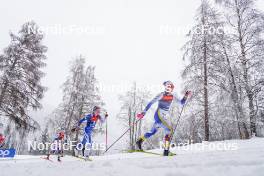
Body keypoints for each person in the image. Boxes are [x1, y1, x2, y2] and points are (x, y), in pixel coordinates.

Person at [136, 81, 191, 156]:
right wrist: (143, 112)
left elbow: (181, 103)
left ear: (172, 89)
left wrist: (186, 96)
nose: (168, 88)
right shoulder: (161, 95)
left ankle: (139, 141)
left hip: (163, 116)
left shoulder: (172, 96)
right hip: (158, 115)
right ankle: (166, 150)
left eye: (170, 87)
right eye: (167, 86)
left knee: (152, 132)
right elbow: (151, 103)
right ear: (165, 87)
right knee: (168, 130)